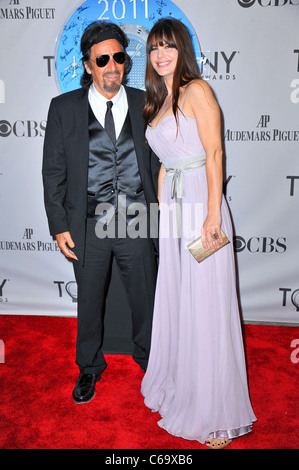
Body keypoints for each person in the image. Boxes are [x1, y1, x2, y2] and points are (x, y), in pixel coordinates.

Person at [141, 18, 256, 449]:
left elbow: (214, 153)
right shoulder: (157, 99)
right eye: (155, 48)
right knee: (177, 298)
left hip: (201, 206)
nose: (161, 54)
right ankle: (180, 382)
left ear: (183, 49)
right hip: (173, 209)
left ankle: (214, 414)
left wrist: (213, 216)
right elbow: (165, 164)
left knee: (206, 305)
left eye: (169, 46)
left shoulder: (198, 90)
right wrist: (161, 214)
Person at [42, 21, 159, 404]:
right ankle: (89, 368)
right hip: (89, 223)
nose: (112, 66)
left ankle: (152, 363)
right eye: (103, 59)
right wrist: (59, 225)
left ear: (127, 61)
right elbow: (53, 171)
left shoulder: (146, 102)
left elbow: (161, 165)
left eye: (119, 57)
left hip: (139, 219)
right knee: (89, 301)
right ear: (87, 65)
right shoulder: (64, 108)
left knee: (146, 299)